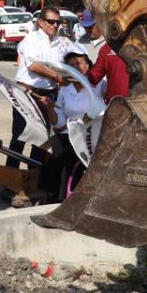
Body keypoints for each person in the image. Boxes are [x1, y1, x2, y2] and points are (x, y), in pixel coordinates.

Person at [7, 7, 72, 185]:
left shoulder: (60, 43)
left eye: (57, 22)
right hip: (27, 92)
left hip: (48, 93)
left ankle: (34, 178)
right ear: (41, 22)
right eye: (51, 21)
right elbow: (33, 66)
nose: (54, 25)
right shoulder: (32, 39)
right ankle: (9, 177)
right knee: (19, 136)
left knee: (41, 139)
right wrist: (57, 77)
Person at [48, 43, 95, 197]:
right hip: (71, 131)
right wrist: (49, 107)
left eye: (79, 63)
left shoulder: (99, 84)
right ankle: (57, 196)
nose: (76, 67)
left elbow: (105, 108)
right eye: (71, 65)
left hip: (93, 132)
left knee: (69, 154)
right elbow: (59, 122)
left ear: (87, 63)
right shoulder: (64, 89)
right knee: (54, 151)